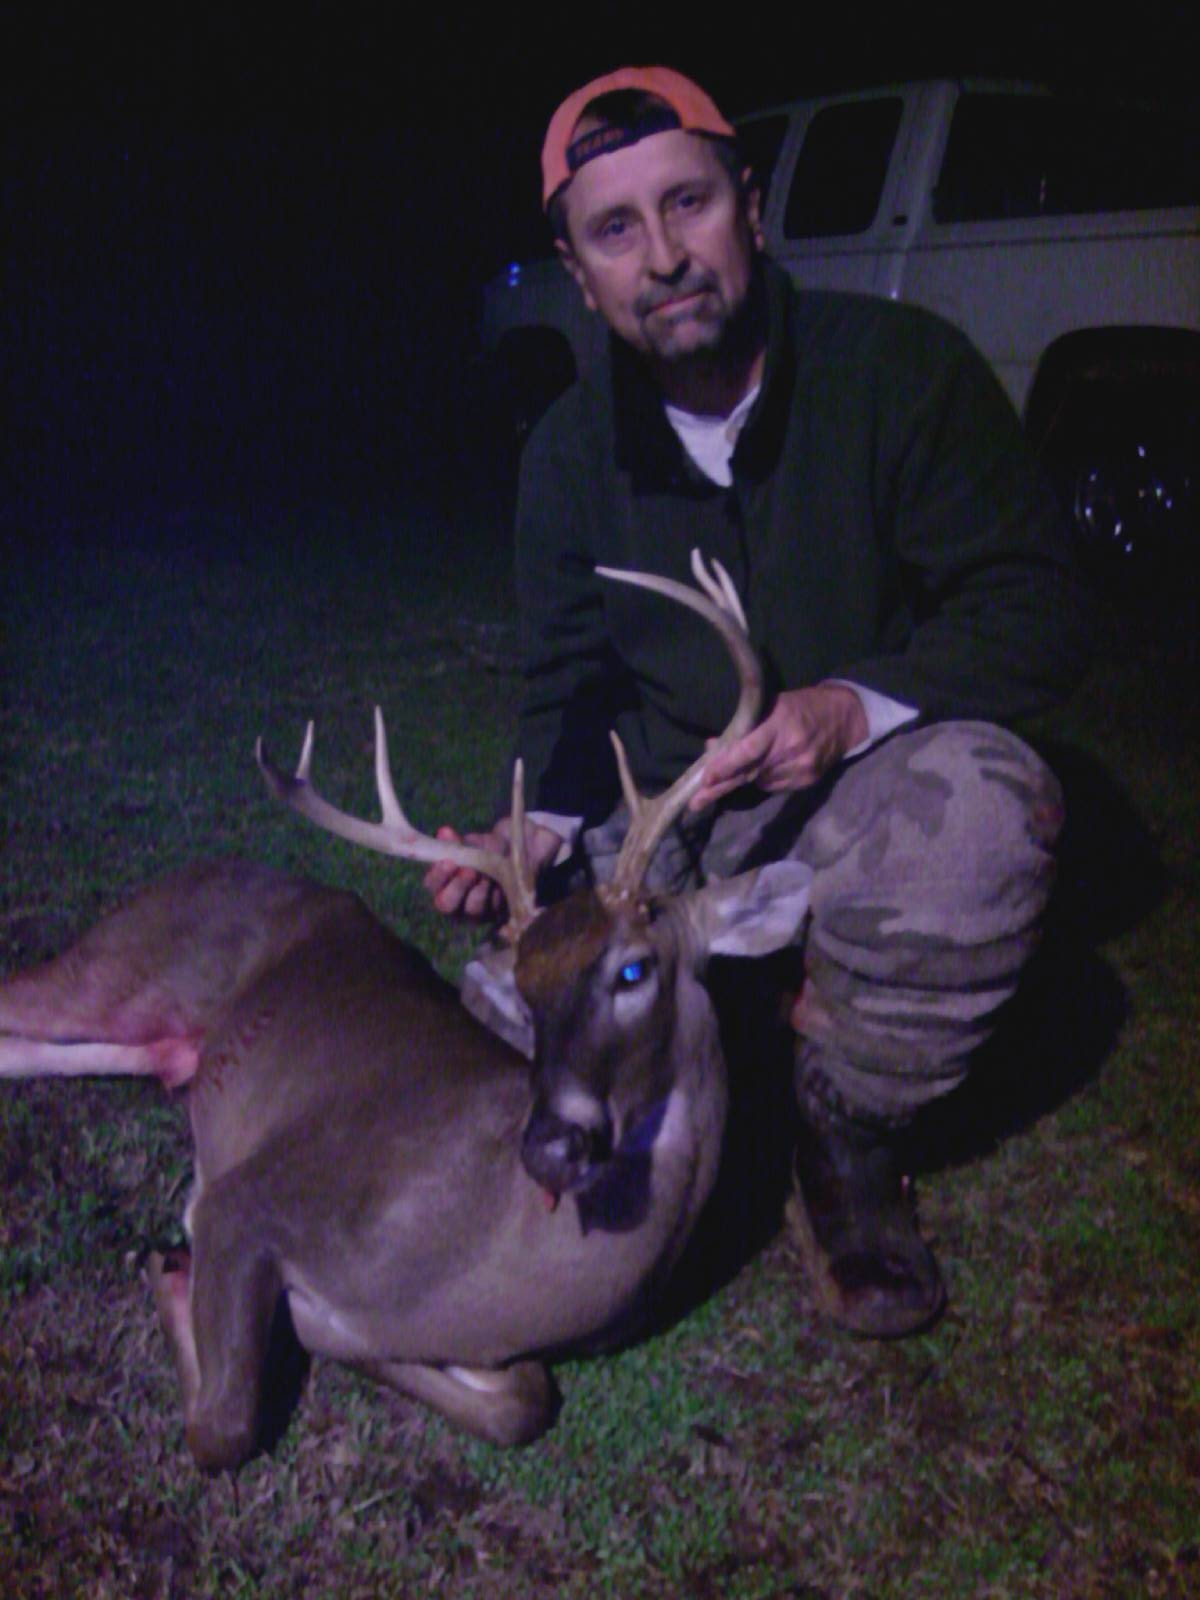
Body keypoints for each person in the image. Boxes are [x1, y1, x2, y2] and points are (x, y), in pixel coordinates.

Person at [426, 66, 1088, 1339]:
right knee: (501, 995)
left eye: (690, 204)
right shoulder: (569, 453)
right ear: (579, 272)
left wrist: (855, 702)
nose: (665, 256)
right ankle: (734, 1023)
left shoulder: (901, 372)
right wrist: (543, 830)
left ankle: (844, 1132)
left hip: (868, 789)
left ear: (752, 206)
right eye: (616, 229)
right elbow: (566, 688)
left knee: (988, 822)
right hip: (682, 819)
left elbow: (1041, 611)